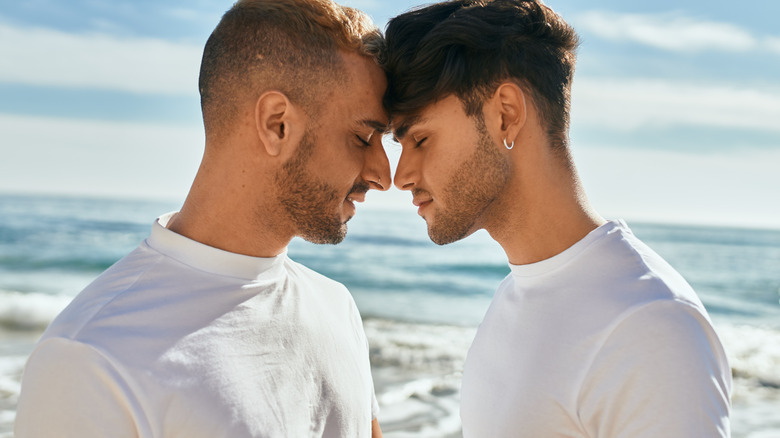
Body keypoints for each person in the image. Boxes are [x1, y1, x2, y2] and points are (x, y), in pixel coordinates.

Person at [15, 1, 390, 436]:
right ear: (277, 125)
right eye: (363, 137)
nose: (383, 175)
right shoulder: (91, 357)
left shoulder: (336, 306)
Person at [381, 0, 732, 436]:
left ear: (506, 115)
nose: (402, 177)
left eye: (419, 138)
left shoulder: (651, 326)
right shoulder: (516, 295)